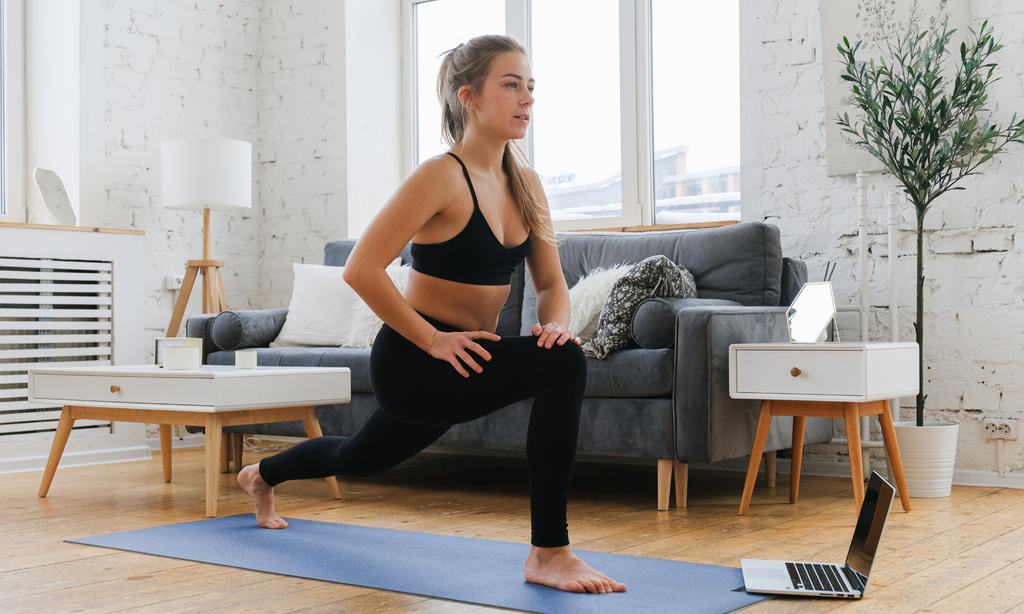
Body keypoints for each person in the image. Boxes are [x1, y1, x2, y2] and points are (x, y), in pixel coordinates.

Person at [238, 34, 626, 595]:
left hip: (465, 359)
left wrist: (556, 322)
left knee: (359, 456)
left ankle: (261, 475)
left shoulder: (527, 184)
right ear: (468, 96)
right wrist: (432, 341)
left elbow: (550, 282)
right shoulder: (439, 176)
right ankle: (549, 552)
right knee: (563, 364)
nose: (527, 99)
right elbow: (361, 269)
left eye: (531, 87)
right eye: (511, 85)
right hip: (415, 360)